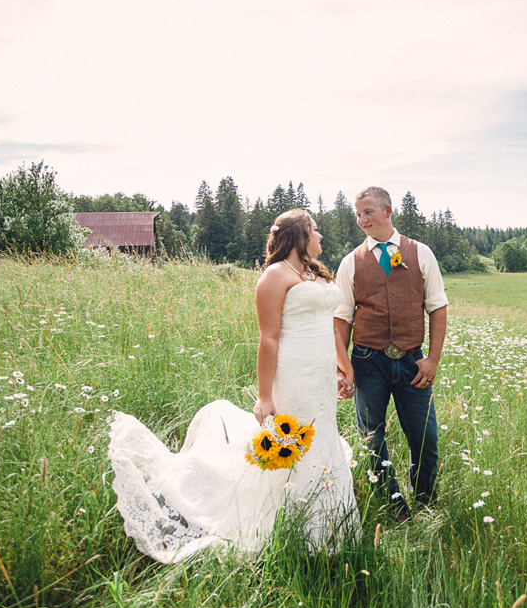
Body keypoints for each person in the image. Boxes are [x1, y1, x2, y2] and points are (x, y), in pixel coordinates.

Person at [108, 209, 359, 562]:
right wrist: (265, 396)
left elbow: (327, 325)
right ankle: (296, 533)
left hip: (320, 375)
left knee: (323, 439)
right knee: (294, 447)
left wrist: (340, 366)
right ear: (299, 236)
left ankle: (331, 530)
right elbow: (269, 339)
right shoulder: (275, 276)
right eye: (315, 231)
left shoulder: (314, 272)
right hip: (294, 375)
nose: (320, 237)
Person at [334, 187, 448, 520]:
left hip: (414, 361)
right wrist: (342, 368)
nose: (362, 220)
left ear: (387, 210)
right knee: (372, 438)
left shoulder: (420, 253)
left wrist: (433, 360)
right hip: (368, 362)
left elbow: (437, 307)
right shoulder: (350, 262)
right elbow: (342, 319)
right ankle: (395, 505)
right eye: (357, 214)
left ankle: (425, 501)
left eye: (368, 212)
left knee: (426, 438)